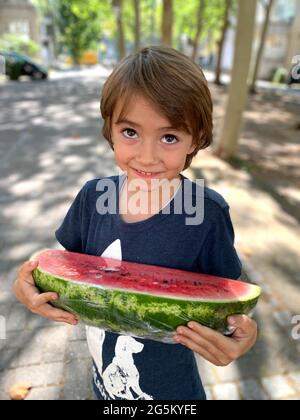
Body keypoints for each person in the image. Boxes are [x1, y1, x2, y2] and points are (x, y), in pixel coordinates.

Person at [14, 46, 257, 400]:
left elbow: (229, 303)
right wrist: (30, 290)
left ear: (196, 140)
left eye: (169, 137)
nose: (147, 156)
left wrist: (245, 335)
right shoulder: (92, 198)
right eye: (130, 132)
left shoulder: (206, 212)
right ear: (109, 128)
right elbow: (66, 274)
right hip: (103, 385)